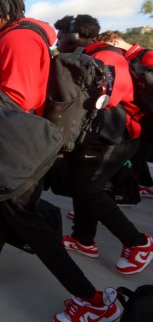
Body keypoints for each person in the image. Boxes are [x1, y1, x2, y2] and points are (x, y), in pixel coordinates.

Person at [0, 0, 121, 322]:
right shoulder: (23, 38)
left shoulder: (18, 40)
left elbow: (18, 97)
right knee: (6, 208)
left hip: (19, 146)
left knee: (29, 222)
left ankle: (92, 299)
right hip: (27, 142)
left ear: (2, 9)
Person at [54, 15, 152, 275]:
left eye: (61, 36)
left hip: (116, 135)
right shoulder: (90, 54)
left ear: (75, 35)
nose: (57, 41)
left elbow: (108, 98)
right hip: (100, 134)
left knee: (87, 188)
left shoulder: (106, 57)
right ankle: (83, 239)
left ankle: (138, 243)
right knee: (79, 183)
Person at [99, 30, 153, 198]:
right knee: (138, 152)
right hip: (139, 113)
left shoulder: (146, 55)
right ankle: (141, 185)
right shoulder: (127, 57)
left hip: (148, 113)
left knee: (138, 153)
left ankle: (129, 191)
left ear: (114, 42)